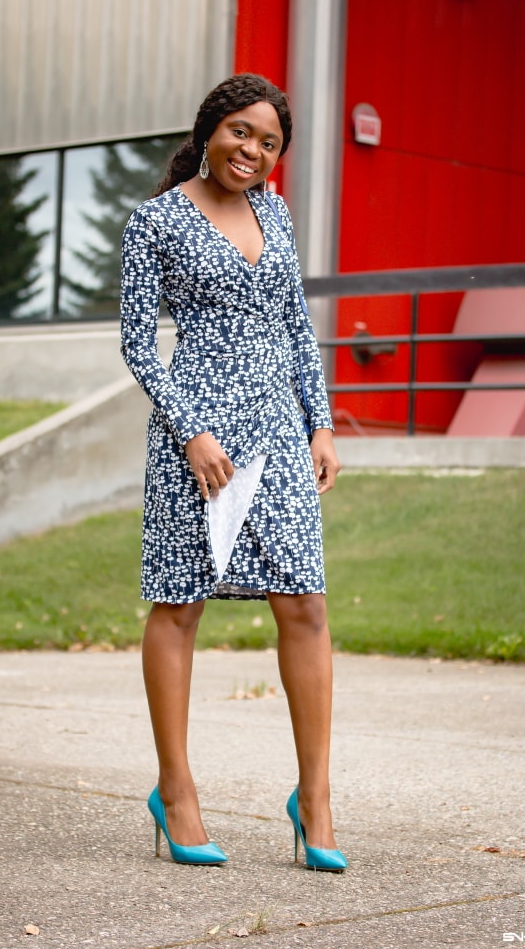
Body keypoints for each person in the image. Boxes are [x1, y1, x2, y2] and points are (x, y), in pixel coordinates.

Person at [120, 73, 346, 871]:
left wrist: (319, 421)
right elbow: (139, 344)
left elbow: (293, 323)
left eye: (270, 142)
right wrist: (191, 433)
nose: (252, 150)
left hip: (281, 433)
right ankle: (176, 791)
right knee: (179, 606)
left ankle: (314, 800)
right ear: (210, 128)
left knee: (306, 604)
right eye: (240, 132)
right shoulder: (154, 222)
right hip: (200, 441)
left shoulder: (275, 212)